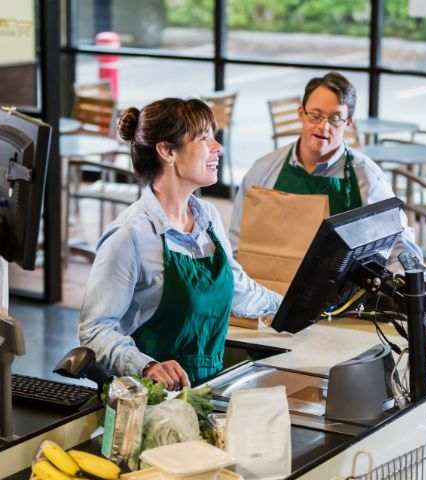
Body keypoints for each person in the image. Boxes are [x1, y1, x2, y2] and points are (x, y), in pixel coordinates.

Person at [78, 98, 282, 389]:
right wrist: (146, 366)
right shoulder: (129, 235)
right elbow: (94, 330)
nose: (217, 147)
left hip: (208, 389)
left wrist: (292, 307)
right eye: (204, 138)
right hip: (151, 402)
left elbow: (238, 288)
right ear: (167, 151)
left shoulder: (208, 218)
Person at [228, 71, 423, 270]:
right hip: (270, 293)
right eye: (315, 115)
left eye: (335, 118)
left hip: (342, 298)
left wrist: (407, 277)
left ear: (349, 123)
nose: (323, 126)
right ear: (301, 114)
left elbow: (399, 243)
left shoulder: (368, 178)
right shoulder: (263, 171)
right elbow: (237, 244)